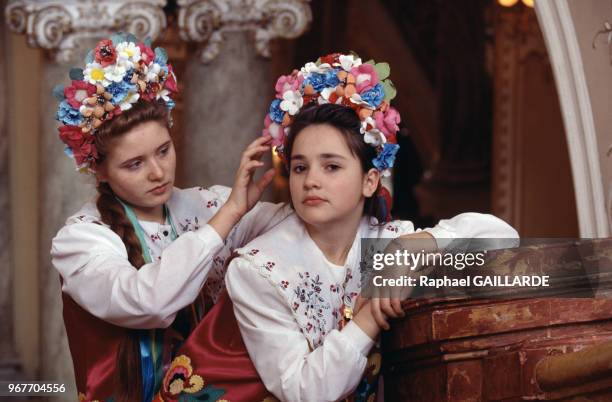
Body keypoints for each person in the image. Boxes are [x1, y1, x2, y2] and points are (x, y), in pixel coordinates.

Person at [153, 53, 518, 402]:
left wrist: (415, 247)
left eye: (331, 166)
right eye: (300, 167)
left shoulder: (384, 240)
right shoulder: (259, 270)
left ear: (370, 181)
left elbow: (503, 238)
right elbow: (305, 391)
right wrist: (372, 313)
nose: (311, 180)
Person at [50, 33, 290, 402]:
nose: (158, 173)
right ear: (99, 170)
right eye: (134, 164)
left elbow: (313, 229)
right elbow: (150, 303)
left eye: (164, 151)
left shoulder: (205, 205)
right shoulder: (81, 241)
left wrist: (395, 266)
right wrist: (227, 219)